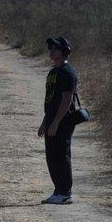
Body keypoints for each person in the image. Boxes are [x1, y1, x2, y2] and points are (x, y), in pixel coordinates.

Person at [37, 36, 78, 205]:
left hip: (63, 121)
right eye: (50, 48)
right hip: (52, 120)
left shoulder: (68, 73)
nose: (51, 51)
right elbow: (51, 100)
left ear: (64, 52)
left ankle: (65, 193)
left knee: (62, 155)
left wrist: (56, 123)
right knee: (52, 156)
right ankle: (58, 191)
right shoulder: (53, 71)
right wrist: (45, 122)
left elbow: (66, 100)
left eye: (55, 48)